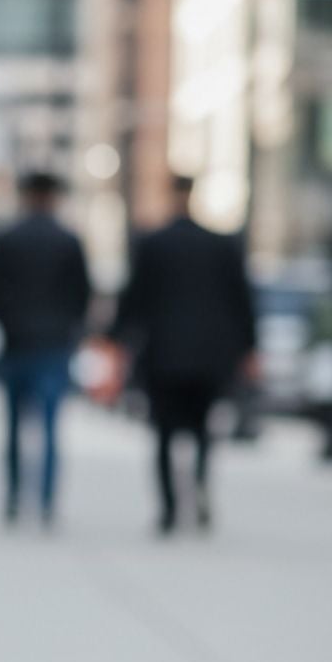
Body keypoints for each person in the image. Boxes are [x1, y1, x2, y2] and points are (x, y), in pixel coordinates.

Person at [112, 175, 260, 533]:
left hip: (164, 354)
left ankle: (168, 507)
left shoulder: (153, 243)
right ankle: (200, 486)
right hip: (211, 355)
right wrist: (249, 347)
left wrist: (117, 338)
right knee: (203, 431)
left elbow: (133, 299)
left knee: (164, 433)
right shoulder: (222, 245)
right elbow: (242, 301)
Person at [0, 169, 93, 523]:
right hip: (54, 345)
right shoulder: (68, 240)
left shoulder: (8, 237)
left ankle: (14, 495)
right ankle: (45, 501)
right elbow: (82, 294)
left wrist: (7, 320)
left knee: (14, 425)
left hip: (16, 343)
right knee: (49, 426)